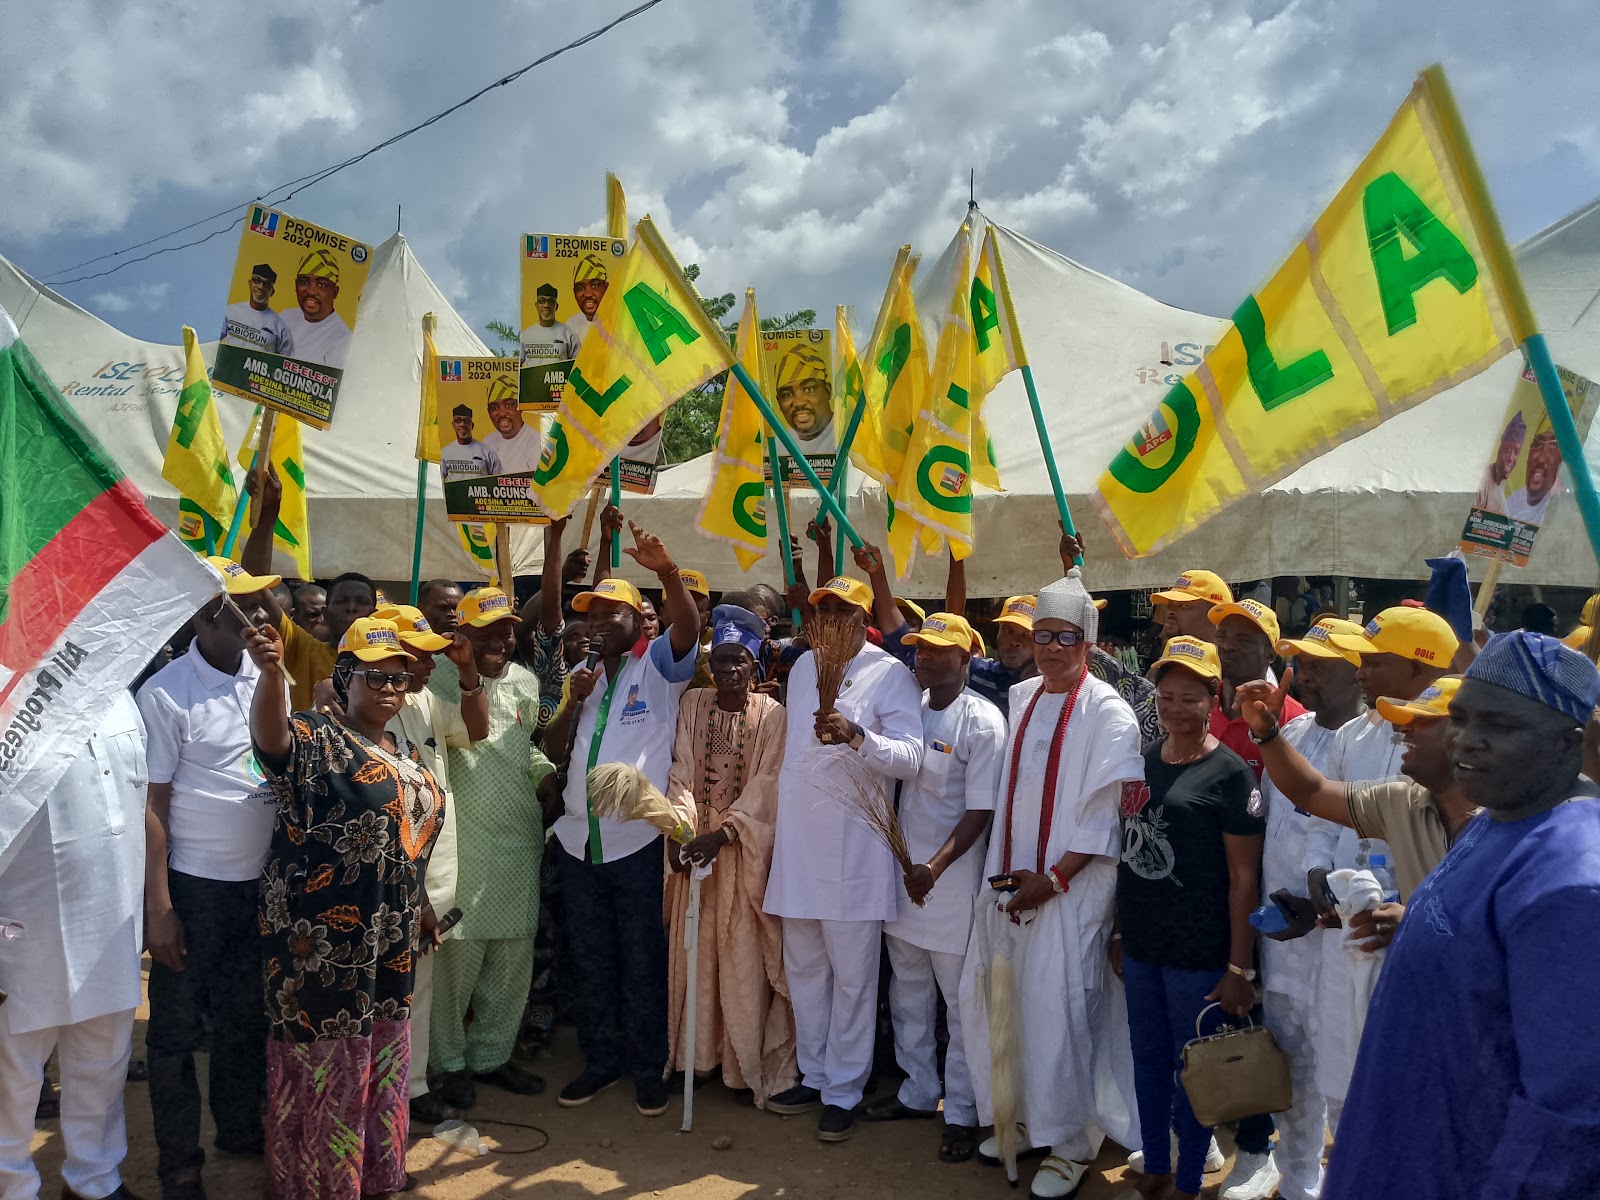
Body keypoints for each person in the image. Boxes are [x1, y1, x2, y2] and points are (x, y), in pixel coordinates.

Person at [1323, 631, 1600, 1200]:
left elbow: (1568, 1119)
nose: (1466, 740)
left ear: (1567, 744)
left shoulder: (1571, 883)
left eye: (1500, 725)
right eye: (1462, 718)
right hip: (1399, 1145)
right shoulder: (1498, 818)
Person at [960, 570, 1145, 1199]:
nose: (1051, 648)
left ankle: (1072, 1142)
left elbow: (1103, 815)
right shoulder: (1023, 697)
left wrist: (1056, 879)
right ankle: (1026, 1120)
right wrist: (1012, 879)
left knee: (1063, 1010)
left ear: (1088, 642)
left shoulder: (1109, 711)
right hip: (1012, 881)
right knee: (1004, 1001)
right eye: (1042, 636)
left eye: (1065, 637)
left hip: (1072, 889)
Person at [246, 617, 445, 1200]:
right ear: (345, 678)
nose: (388, 688)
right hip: (320, 939)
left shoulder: (403, 750)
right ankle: (321, 1180)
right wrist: (270, 674)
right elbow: (270, 741)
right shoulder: (317, 736)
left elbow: (406, 840)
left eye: (398, 679)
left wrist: (421, 904)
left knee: (383, 1045)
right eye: (374, 677)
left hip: (388, 930)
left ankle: (375, 1171)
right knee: (326, 1055)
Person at [539, 522, 701, 1117]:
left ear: (638, 621)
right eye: (593, 614)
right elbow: (554, 746)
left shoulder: (656, 668)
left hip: (635, 843)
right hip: (578, 843)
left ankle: (646, 1067)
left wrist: (667, 573)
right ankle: (600, 1060)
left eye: (614, 613)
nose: (601, 622)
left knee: (640, 958)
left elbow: (688, 628)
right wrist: (575, 699)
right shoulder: (580, 677)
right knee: (591, 957)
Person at [762, 575, 924, 1143]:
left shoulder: (890, 673)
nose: (829, 617)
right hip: (800, 845)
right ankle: (815, 1074)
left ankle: (845, 1090)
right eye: (822, 609)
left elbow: (911, 758)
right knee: (806, 971)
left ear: (863, 619)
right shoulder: (803, 668)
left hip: (855, 851)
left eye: (842, 610)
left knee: (853, 980)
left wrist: (858, 736)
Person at [136, 566, 279, 1199]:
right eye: (244, 607)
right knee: (174, 1034)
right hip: (194, 889)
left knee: (245, 1018)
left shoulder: (267, 675)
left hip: (259, 886)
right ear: (202, 619)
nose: (262, 616)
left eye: (264, 602)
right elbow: (153, 806)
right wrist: (160, 908)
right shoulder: (166, 693)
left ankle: (239, 1128)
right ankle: (179, 1165)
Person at [1116, 637, 1264, 1200]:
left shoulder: (1231, 775)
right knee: (1148, 1059)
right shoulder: (1144, 760)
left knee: (1195, 1068)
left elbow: (1244, 880)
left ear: (1214, 698)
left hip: (1200, 951)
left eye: (1189, 698)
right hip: (1143, 943)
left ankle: (1188, 1181)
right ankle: (1156, 1164)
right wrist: (1120, 930)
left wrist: (1238, 967)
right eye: (1166, 697)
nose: (1175, 708)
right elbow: (1128, 851)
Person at [1302, 606, 1457, 1133]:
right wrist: (1318, 873)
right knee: (1343, 1073)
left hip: (1417, 944)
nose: (1361, 672)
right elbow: (1321, 818)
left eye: (1374, 662)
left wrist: (1411, 915)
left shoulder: (1457, 750)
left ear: (1418, 667)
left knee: (1408, 1086)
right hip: (1351, 931)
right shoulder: (1352, 735)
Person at [861, 613, 1002, 1165]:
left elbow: (980, 812)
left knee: (961, 1002)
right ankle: (918, 1091)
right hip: (903, 875)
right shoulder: (910, 709)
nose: (923, 656)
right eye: (920, 647)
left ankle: (963, 1111)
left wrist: (935, 868)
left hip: (950, 882)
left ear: (966, 658)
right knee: (908, 990)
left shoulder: (981, 722)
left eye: (939, 650)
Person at [0, 694, 147, 1200]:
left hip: (112, 919)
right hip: (20, 929)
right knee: (12, 1075)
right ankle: (12, 1187)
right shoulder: (10, 691)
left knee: (102, 1061)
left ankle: (94, 1181)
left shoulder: (119, 692)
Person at [424, 588, 554, 1108]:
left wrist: (544, 772)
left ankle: (492, 1055)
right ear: (461, 634)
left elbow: (524, 747)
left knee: (512, 955)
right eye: (487, 633)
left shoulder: (525, 681)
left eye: (507, 632)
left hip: (518, 836)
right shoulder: (433, 678)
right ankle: (448, 1063)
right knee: (457, 957)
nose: (500, 641)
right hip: (461, 840)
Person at [662, 605, 796, 1106]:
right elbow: (681, 769)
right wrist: (681, 831)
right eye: (721, 659)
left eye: (739, 660)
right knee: (694, 952)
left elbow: (768, 782)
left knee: (741, 956)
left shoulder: (773, 715)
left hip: (741, 850)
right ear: (709, 664)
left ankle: (741, 1067)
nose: (729, 669)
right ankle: (697, 1058)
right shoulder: (693, 703)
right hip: (695, 848)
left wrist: (725, 834)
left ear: (754, 664)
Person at [364, 606, 490, 1126]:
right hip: (383, 881)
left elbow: (477, 729)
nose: (427, 665)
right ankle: (372, 1091)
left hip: (432, 879)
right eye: (419, 655)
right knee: (373, 991)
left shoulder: (425, 702)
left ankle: (409, 1089)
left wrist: (467, 671)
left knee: (417, 989)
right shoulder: (359, 713)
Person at [276, 248, 353, 370]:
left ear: (335, 292)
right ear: (296, 285)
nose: (311, 291)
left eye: (321, 285)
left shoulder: (343, 339)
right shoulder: (285, 317)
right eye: (304, 282)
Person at [220, 263, 293, 355]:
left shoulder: (279, 326)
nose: (261, 287)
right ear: (249, 283)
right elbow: (211, 341)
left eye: (267, 284)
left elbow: (286, 360)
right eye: (257, 280)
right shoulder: (230, 311)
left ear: (272, 292)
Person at [1502, 416, 1562, 525]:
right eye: (1537, 445)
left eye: (1554, 446)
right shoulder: (1513, 500)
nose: (1541, 458)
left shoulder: (1562, 510)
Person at [772, 342, 835, 446]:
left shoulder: (850, 438)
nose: (799, 403)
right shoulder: (777, 446)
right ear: (778, 402)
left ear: (828, 391)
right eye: (787, 395)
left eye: (809, 389)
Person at [1151, 570, 1233, 644]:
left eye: (1183, 605)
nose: (1170, 611)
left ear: (1216, 614)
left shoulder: (1233, 655)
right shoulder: (1167, 655)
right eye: (1169, 605)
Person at [1473, 410, 1524, 513]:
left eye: (1516, 452)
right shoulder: (1484, 479)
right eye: (1507, 450)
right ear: (1499, 449)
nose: (1511, 458)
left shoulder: (1502, 485)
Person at [520, 282, 582, 365]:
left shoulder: (568, 334)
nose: (546, 305)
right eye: (542, 301)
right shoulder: (525, 336)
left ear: (556, 307)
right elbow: (515, 367)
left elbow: (580, 365)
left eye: (551, 301)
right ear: (536, 305)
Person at [486, 381, 541, 474]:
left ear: (520, 407)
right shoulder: (488, 442)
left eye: (508, 405)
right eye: (494, 408)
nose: (502, 413)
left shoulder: (536, 443)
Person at [439, 405, 502, 480]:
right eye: (458, 420)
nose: (462, 424)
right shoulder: (445, 453)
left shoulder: (486, 452)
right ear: (453, 425)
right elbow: (437, 481)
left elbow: (498, 480)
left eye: (466, 421)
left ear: (472, 425)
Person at [570, 254, 610, 343]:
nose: (588, 294)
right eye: (580, 288)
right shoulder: (571, 326)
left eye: (594, 286)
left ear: (606, 288)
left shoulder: (621, 322)